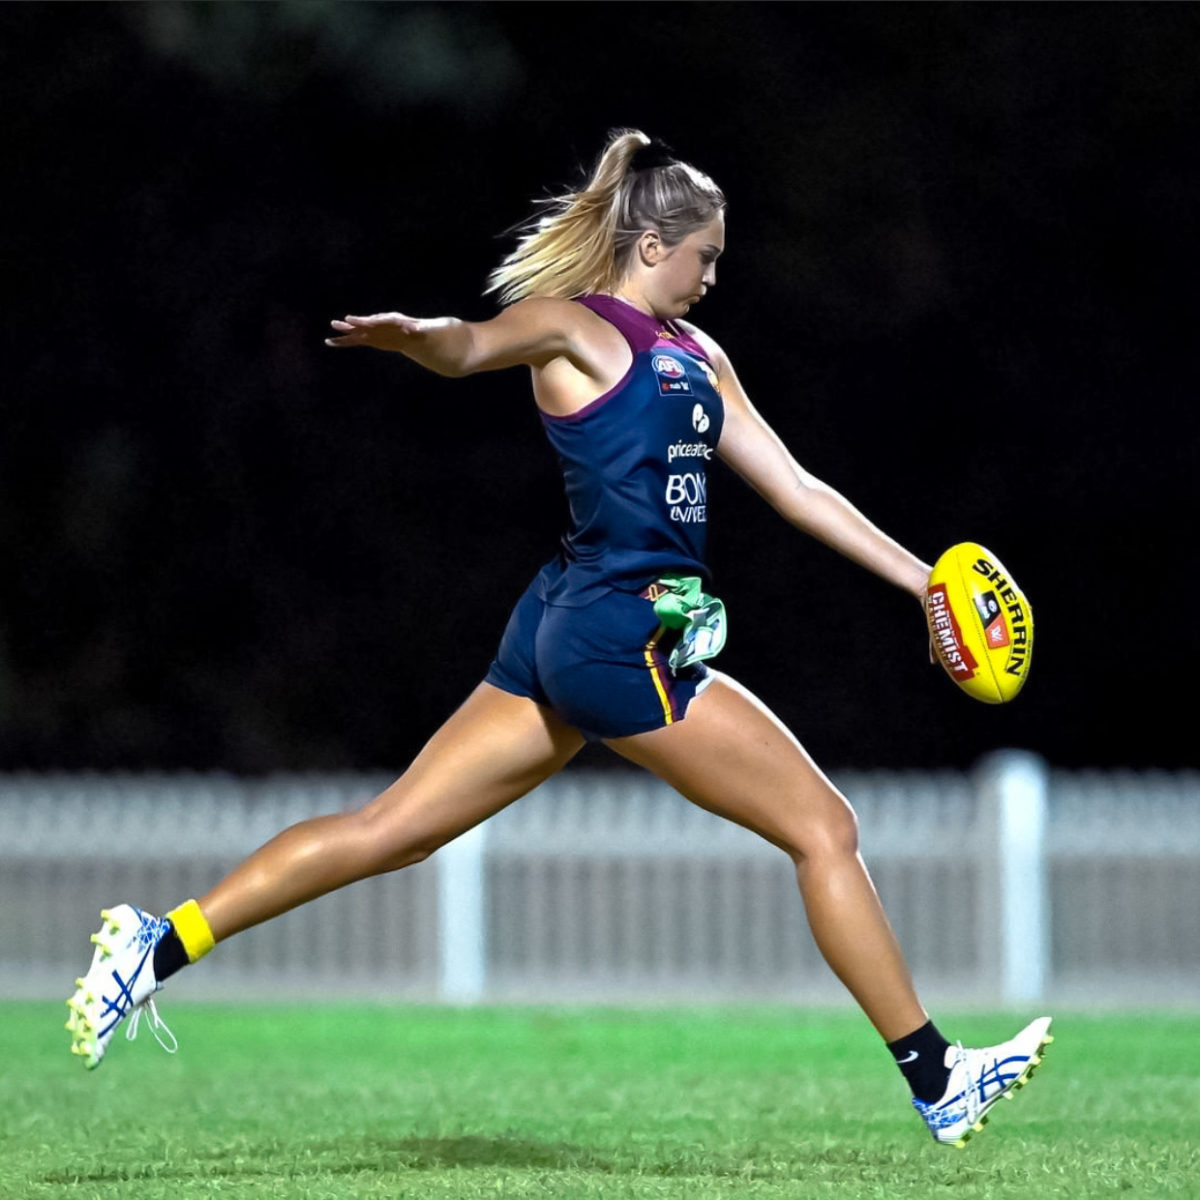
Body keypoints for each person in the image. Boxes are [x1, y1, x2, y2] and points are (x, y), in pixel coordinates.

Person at [66, 129, 1051, 1147]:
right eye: (705, 254)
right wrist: (419, 336)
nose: (716, 274)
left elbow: (797, 489)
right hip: (618, 643)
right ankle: (939, 1079)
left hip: (561, 628)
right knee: (826, 830)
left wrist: (924, 582)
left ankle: (160, 944)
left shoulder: (700, 359)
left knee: (389, 828)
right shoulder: (575, 331)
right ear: (655, 242)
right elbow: (472, 345)